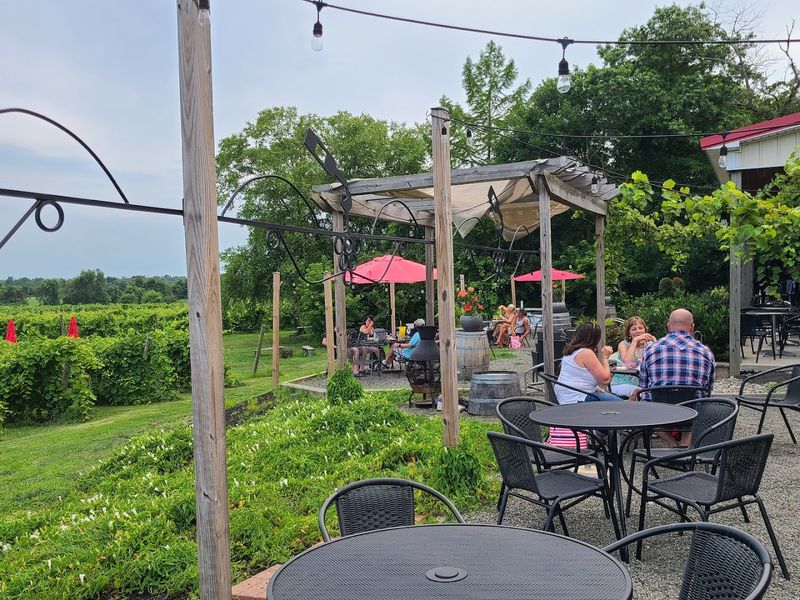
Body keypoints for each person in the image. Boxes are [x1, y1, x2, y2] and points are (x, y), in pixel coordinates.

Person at [638, 308, 715, 447]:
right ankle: (684, 447)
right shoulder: (705, 351)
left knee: (645, 404)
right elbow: (708, 388)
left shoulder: (650, 349)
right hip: (692, 413)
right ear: (692, 327)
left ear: (668, 326)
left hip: (660, 412)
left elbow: (644, 387)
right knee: (700, 401)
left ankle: (673, 445)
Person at [612, 316, 656, 386]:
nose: (638, 331)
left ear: (645, 330)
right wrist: (635, 341)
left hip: (644, 383)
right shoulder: (623, 344)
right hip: (623, 383)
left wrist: (655, 342)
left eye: (641, 328)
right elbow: (627, 364)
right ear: (629, 333)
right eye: (634, 329)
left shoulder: (649, 344)